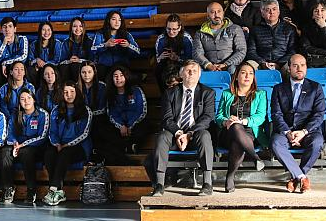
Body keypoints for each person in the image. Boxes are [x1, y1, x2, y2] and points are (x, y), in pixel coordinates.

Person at [148, 60, 215, 197]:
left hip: (195, 135)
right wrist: (179, 133)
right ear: (181, 74)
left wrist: (189, 134)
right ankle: (159, 185)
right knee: (162, 136)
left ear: (199, 75)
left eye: (194, 71)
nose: (191, 73)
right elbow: (167, 118)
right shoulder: (170, 93)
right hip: (175, 135)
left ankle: (207, 184)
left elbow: (207, 118)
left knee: (205, 135)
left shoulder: (207, 92)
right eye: (188, 70)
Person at [270, 54, 326, 193]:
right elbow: (276, 114)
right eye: (295, 65)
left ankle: (295, 177)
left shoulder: (315, 87)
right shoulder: (278, 88)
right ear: (289, 68)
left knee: (317, 143)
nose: (299, 68)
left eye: (302, 65)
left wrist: (303, 132)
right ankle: (302, 177)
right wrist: (288, 132)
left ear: (306, 67)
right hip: (286, 130)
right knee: (276, 143)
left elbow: (319, 114)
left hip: (308, 131)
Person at [215, 62, 267, 193]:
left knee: (237, 143)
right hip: (228, 131)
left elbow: (260, 117)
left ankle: (230, 176)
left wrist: (244, 121)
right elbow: (219, 116)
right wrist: (226, 121)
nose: (247, 76)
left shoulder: (260, 94)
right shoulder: (227, 93)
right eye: (243, 73)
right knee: (235, 126)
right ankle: (255, 157)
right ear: (237, 76)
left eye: (250, 73)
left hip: (250, 132)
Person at [43, 81, 92, 206]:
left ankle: (53, 189)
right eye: (66, 92)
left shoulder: (85, 110)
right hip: (60, 145)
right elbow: (52, 131)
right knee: (49, 154)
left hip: (79, 147)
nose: (69, 95)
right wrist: (57, 144)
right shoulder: (56, 110)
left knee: (64, 153)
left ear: (77, 93)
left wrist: (67, 145)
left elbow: (84, 133)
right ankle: (58, 191)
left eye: (72, 92)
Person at [1, 88, 49, 204]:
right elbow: (10, 134)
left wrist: (23, 145)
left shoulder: (43, 114)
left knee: (26, 152)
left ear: (34, 100)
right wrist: (15, 143)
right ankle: (8, 188)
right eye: (22, 99)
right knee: (5, 152)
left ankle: (31, 189)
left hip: (36, 147)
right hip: (17, 146)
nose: (26, 101)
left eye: (29, 98)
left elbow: (42, 136)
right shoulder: (15, 114)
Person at [102, 65, 148, 165]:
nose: (118, 78)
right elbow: (112, 113)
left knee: (144, 126)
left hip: (135, 123)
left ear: (126, 76)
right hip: (119, 126)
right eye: (115, 76)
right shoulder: (110, 93)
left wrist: (130, 125)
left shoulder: (136, 90)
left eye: (121, 75)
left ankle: (132, 146)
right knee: (107, 133)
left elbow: (141, 110)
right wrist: (121, 125)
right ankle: (126, 152)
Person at [193, 2, 246, 74]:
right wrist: (208, 65)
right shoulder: (200, 33)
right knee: (196, 70)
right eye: (212, 12)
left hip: (230, 66)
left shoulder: (235, 29)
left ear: (223, 13)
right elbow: (197, 53)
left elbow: (241, 50)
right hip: (209, 66)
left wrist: (226, 64)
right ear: (208, 15)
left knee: (233, 69)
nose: (216, 15)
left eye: (219, 11)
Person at [246, 0, 296, 71]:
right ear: (262, 14)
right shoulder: (255, 30)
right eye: (267, 10)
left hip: (283, 63)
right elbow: (251, 51)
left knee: (293, 65)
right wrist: (262, 63)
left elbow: (292, 51)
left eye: (274, 9)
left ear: (278, 12)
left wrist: (279, 64)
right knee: (248, 65)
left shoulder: (289, 29)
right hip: (260, 63)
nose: (271, 12)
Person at [91, 10, 140, 80]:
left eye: (119, 20)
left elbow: (138, 51)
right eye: (114, 19)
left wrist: (128, 45)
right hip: (104, 66)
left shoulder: (127, 34)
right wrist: (105, 45)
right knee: (100, 70)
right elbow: (93, 49)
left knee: (122, 71)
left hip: (121, 66)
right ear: (108, 21)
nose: (117, 22)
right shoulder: (100, 34)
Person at [77, 61, 107, 161]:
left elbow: (102, 108)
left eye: (89, 72)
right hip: (81, 118)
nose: (86, 75)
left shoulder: (102, 86)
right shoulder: (76, 87)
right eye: (83, 72)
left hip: (98, 118)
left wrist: (89, 114)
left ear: (94, 72)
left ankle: (97, 155)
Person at [154, 14, 193, 91]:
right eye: (168, 29)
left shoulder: (186, 38)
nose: (171, 32)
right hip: (166, 65)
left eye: (174, 29)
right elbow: (157, 58)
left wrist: (178, 58)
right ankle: (165, 94)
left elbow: (191, 59)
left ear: (179, 28)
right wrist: (160, 57)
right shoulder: (161, 39)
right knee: (158, 69)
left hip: (182, 64)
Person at [0, 17, 28, 87]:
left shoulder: (22, 39)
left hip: (15, 67)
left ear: (14, 29)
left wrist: (5, 63)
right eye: (4, 27)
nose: (7, 29)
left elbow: (23, 56)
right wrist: (3, 44)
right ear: (1, 30)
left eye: (10, 26)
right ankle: (0, 90)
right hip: (1, 70)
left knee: (18, 67)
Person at [58, 17, 93, 81]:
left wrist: (79, 60)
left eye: (80, 26)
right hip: (69, 66)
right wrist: (69, 61)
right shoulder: (66, 42)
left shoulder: (89, 41)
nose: (78, 29)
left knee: (75, 66)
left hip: (84, 66)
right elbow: (61, 61)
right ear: (71, 28)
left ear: (83, 28)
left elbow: (92, 60)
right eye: (75, 26)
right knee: (63, 67)